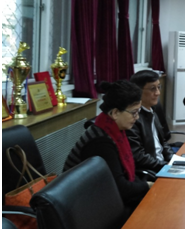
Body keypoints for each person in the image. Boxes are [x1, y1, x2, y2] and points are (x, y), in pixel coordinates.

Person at [64, 81, 151, 212]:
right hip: (86, 208)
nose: (137, 117)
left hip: (103, 197)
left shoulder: (112, 128)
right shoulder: (101, 143)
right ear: (115, 113)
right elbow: (121, 189)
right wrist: (148, 185)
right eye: (134, 112)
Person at [127, 70, 173, 173]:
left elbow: (162, 141)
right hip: (152, 171)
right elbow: (139, 157)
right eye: (153, 89)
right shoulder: (132, 120)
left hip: (163, 165)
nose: (158, 93)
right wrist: (166, 167)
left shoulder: (152, 110)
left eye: (159, 87)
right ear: (138, 91)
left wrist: (172, 159)